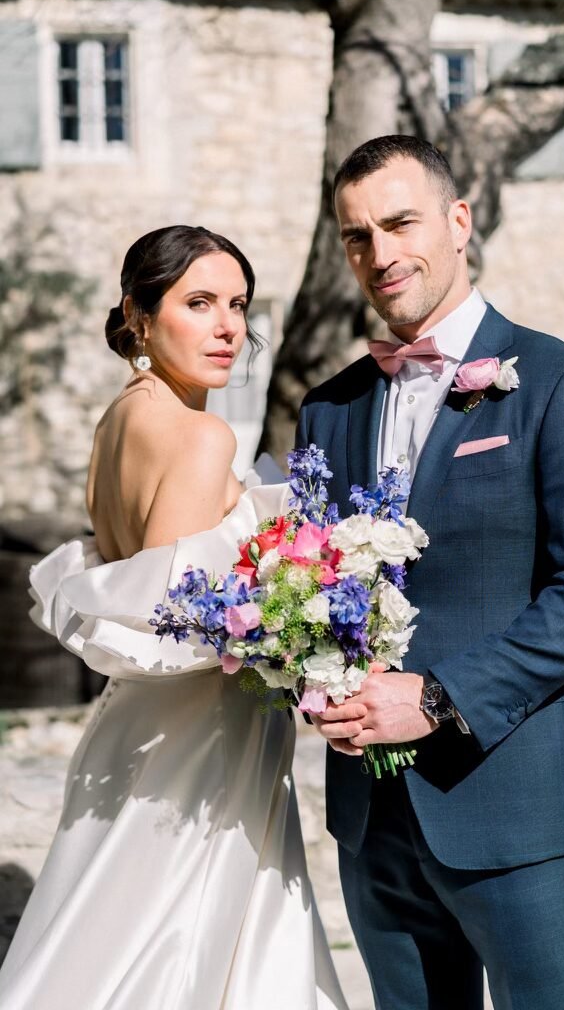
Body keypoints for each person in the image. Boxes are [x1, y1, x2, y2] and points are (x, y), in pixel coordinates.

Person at [297, 135, 564, 1010]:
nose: (380, 254)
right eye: (357, 236)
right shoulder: (327, 409)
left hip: (511, 807)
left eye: (401, 223)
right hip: (372, 818)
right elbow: (312, 587)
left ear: (459, 221)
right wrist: (311, 676)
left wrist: (438, 697)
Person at [0, 225, 347, 1010]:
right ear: (139, 315)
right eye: (199, 303)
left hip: (141, 724)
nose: (228, 327)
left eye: (238, 305)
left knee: (114, 931)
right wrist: (294, 626)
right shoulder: (200, 435)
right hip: (200, 739)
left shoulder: (117, 422)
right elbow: (172, 620)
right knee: (176, 946)